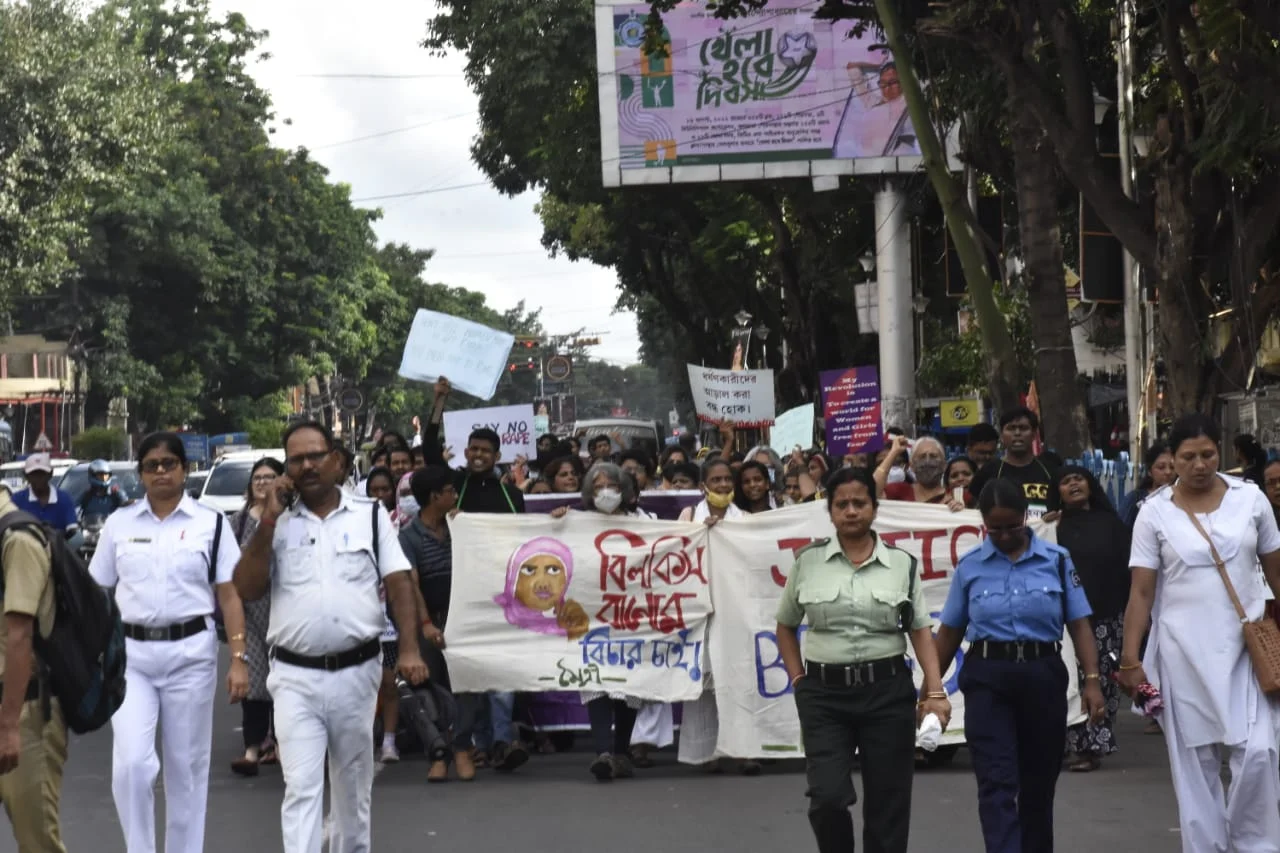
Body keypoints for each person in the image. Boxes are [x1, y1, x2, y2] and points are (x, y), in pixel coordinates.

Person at [233, 421, 427, 853]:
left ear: (336, 461)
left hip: (356, 675)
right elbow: (246, 588)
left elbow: (398, 583)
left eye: (314, 456)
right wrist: (268, 519)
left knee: (352, 792)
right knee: (301, 787)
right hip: (294, 678)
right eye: (296, 459)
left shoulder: (371, 515)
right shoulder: (274, 523)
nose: (306, 466)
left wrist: (410, 649)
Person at [1118, 413, 1280, 852]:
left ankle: (1256, 845)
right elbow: (1141, 593)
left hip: (1249, 649)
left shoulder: (1251, 500)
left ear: (1220, 453)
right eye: (1188, 457)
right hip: (1182, 652)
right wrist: (1130, 660)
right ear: (1173, 459)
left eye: (1208, 454)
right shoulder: (1153, 513)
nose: (1200, 465)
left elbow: (1276, 575)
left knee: (1261, 754)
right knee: (1196, 767)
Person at [775, 466, 951, 853]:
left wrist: (934, 691)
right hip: (823, 697)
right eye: (842, 504)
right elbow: (785, 626)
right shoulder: (808, 562)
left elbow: (920, 631)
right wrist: (798, 681)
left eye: (860, 503)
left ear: (874, 507)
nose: (851, 511)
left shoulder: (902, 564)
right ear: (830, 510)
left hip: (887, 693)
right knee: (828, 798)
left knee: (888, 801)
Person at [89, 432, 250, 853]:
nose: (161, 471)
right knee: (133, 766)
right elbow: (96, 592)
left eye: (169, 463)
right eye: (151, 465)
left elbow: (229, 594)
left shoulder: (210, 524)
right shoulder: (119, 524)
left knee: (187, 770)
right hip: (132, 658)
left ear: (184, 468)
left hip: (191, 654)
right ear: (140, 473)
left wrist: (238, 657)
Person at [934, 478, 1106, 853]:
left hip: (1042, 676)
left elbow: (1079, 624)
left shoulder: (1056, 561)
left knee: (1038, 783)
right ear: (983, 523)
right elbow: (949, 632)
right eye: (994, 528)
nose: (1004, 534)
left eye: (1012, 525)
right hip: (987, 679)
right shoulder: (971, 566)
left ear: (1025, 519)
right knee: (995, 781)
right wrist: (931, 690)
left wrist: (1092, 681)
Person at [420, 377, 529, 773]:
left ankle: (501, 741)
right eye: (474, 449)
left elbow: (525, 541)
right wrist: (439, 401)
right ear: (466, 452)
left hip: (503, 595)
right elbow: (430, 449)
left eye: (486, 450)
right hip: (461, 595)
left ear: (497, 454)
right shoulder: (455, 486)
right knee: (470, 672)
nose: (479, 454)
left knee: (502, 671)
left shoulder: (511, 495)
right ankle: (477, 741)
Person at [1047, 465, 1132, 772]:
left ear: (1090, 484)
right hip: (1063, 620)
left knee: (1101, 680)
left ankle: (1091, 745)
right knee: (1069, 680)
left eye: (1078, 479)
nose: (1073, 485)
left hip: (1107, 614)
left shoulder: (1111, 524)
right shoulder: (1051, 527)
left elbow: (1129, 568)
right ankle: (1070, 744)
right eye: (1065, 481)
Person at [0, 480, 68, 853]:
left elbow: (20, 636)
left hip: (24, 712)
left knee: (37, 842)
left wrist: (9, 728)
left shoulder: (18, 539)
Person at [398, 466, 467, 782]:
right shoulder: (408, 536)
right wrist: (425, 624)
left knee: (465, 686)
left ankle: (463, 747)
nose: (455, 496)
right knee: (427, 688)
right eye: (450, 491)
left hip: (463, 617)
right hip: (429, 618)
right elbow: (412, 584)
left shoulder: (459, 527)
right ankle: (439, 754)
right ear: (435, 497)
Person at [229, 457, 286, 777]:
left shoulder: (290, 518)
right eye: (258, 478)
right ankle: (251, 748)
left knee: (283, 680)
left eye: (270, 477)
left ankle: (279, 744)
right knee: (253, 683)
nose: (263, 482)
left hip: (283, 611)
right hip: (248, 612)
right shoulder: (237, 522)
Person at [966, 407, 1060, 519]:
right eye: (1011, 428)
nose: (1017, 433)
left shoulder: (1050, 469)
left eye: (1023, 428)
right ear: (1002, 435)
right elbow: (967, 507)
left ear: (1034, 434)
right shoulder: (989, 471)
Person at [874, 435, 966, 509]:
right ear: (912, 466)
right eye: (922, 457)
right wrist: (894, 452)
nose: (927, 461)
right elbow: (873, 492)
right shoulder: (899, 491)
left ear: (944, 465)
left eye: (933, 456)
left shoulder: (957, 496)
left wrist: (962, 511)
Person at [10, 453, 77, 537]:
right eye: (34, 474)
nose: (38, 478)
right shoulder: (16, 500)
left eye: (42, 474)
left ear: (50, 474)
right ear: (26, 476)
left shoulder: (64, 499)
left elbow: (73, 532)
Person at [1119, 442, 1175, 527]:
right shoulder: (1135, 500)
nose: (1168, 472)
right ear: (1149, 471)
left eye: (1172, 467)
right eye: (1161, 467)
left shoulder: (1183, 500)